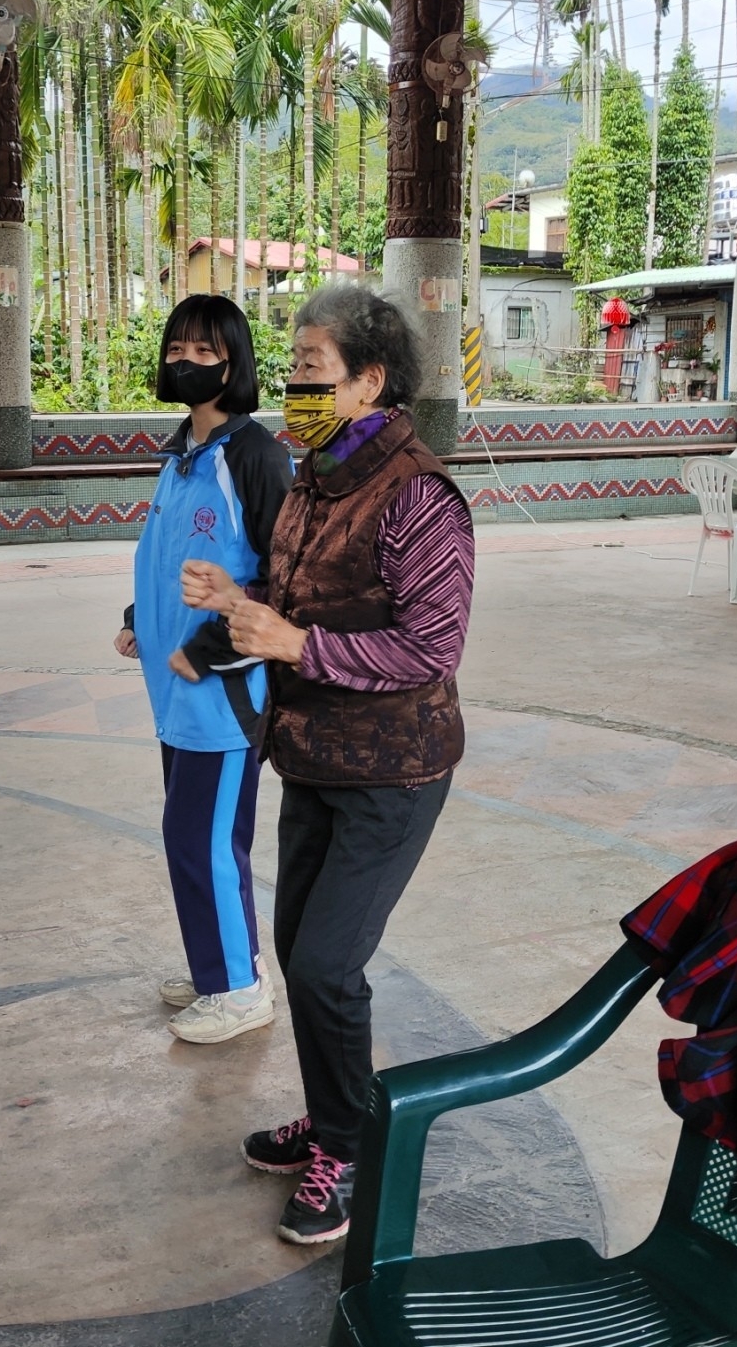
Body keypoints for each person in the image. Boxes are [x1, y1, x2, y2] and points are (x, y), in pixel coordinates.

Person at [182, 284, 476, 1246]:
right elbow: (294, 592)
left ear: (370, 382)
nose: (295, 384)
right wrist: (239, 601)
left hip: (394, 769)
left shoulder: (420, 495)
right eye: (296, 366)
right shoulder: (315, 477)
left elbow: (430, 647)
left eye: (312, 368)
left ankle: (346, 1149)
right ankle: (330, 1110)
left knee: (325, 965)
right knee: (301, 953)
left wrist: (295, 644)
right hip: (313, 755)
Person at [117, 295, 295, 1044]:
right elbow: (166, 557)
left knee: (205, 840)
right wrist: (139, 618)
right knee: (192, 834)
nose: (185, 361)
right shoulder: (181, 454)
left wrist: (208, 651)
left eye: (203, 351)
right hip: (174, 690)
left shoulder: (254, 456)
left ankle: (241, 990)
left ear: (234, 362)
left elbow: (284, 579)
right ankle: (220, 963)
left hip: (221, 690)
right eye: (176, 349)